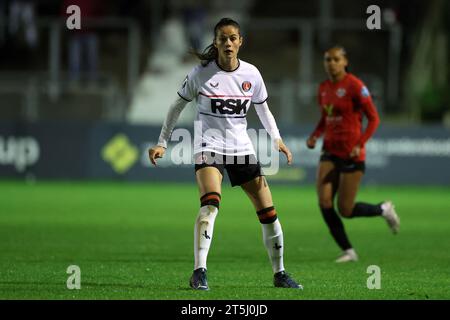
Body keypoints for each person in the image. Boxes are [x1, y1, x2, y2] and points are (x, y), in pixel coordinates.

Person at [148, 18, 303, 290]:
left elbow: (263, 110)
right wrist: (162, 142)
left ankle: (280, 274)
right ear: (216, 42)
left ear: (241, 41)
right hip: (209, 147)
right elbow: (176, 107)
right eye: (223, 38)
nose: (228, 43)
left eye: (233, 38)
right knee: (210, 206)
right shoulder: (200, 73)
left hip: (241, 148)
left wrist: (277, 139)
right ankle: (199, 272)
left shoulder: (252, 74)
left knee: (269, 213)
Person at [306, 46, 400, 263]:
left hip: (351, 154)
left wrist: (360, 143)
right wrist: (315, 135)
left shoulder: (356, 86)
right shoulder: (323, 88)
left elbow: (373, 118)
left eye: (336, 59)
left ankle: (383, 209)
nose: (331, 63)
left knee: (346, 209)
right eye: (327, 59)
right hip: (329, 151)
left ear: (345, 61)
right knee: (324, 202)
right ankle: (348, 250)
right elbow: (325, 118)